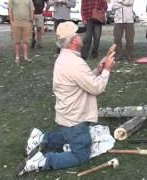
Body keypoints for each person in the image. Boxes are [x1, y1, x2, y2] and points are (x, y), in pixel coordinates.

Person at [16, 21, 115, 176]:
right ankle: (43, 161)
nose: (82, 35)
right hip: (74, 118)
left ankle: (41, 138)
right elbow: (96, 88)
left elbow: (84, 80)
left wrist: (98, 69)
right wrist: (107, 70)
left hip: (67, 116)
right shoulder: (74, 62)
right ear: (73, 40)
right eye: (79, 34)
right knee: (81, 154)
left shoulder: (67, 58)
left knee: (68, 135)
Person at [8, 0, 34, 64]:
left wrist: (31, 20)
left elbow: (32, 10)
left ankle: (26, 57)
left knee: (26, 41)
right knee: (17, 41)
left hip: (27, 23)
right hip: (16, 22)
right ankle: (17, 57)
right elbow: (10, 10)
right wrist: (11, 21)